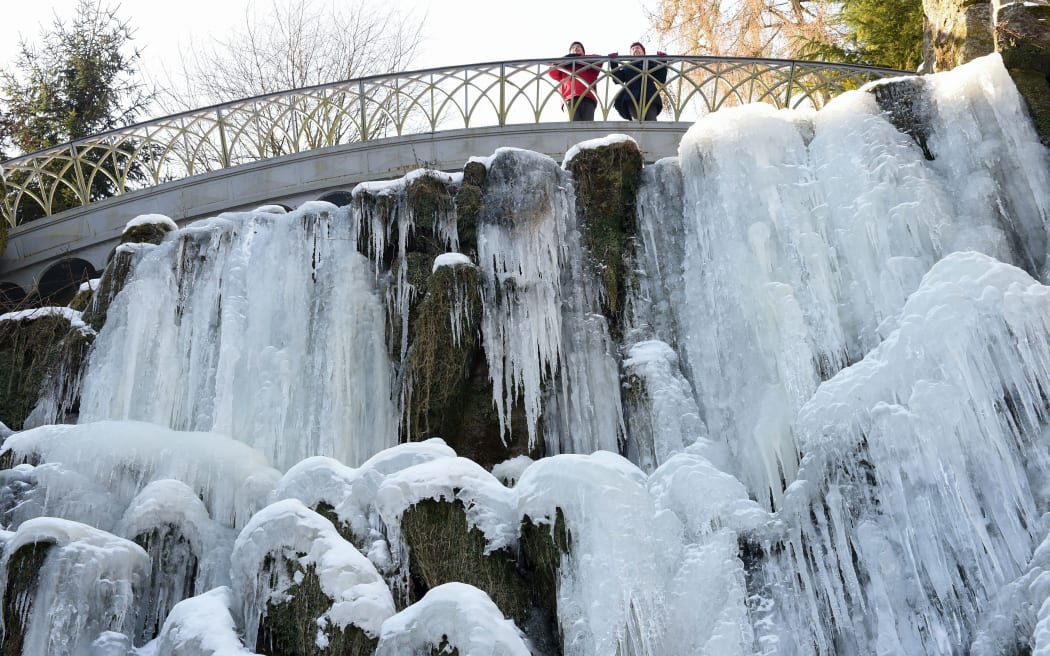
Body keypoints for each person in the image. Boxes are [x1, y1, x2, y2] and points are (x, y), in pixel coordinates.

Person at [609, 42, 668, 121]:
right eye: (633, 49)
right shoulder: (627, 67)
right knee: (636, 122)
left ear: (643, 52)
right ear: (630, 54)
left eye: (638, 48)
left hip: (650, 96)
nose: (635, 50)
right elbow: (617, 79)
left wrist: (663, 61)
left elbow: (661, 78)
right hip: (631, 97)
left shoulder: (650, 64)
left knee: (651, 122)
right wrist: (614, 63)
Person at [548, 41, 603, 121]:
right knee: (573, 128)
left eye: (578, 47)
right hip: (569, 99)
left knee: (587, 128)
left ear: (583, 52)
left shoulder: (590, 65)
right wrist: (565, 60)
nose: (576, 48)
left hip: (588, 99)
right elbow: (551, 72)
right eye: (573, 48)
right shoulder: (564, 67)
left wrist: (579, 57)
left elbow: (599, 58)